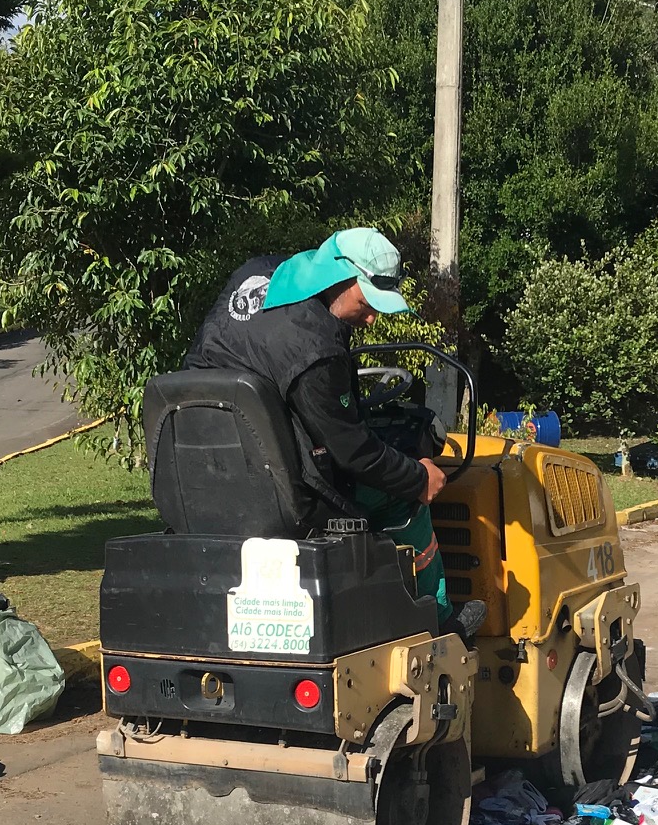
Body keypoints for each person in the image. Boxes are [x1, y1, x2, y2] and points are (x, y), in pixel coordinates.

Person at [184, 227, 455, 615]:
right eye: (367, 302)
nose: (373, 319)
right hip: (284, 495)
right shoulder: (316, 349)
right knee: (402, 499)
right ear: (341, 278)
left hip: (207, 476)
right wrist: (417, 477)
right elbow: (352, 451)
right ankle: (436, 619)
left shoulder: (256, 273)